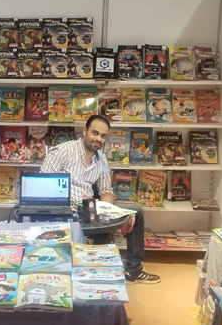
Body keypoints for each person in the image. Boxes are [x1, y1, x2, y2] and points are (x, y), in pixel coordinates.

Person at [41, 114, 160, 285]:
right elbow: (42, 183)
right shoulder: (62, 151)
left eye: (103, 136)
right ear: (85, 131)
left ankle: (134, 270)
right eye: (95, 133)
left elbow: (106, 191)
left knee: (137, 212)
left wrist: (105, 208)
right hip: (64, 209)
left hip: (90, 209)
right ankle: (85, 270)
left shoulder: (101, 158)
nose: (98, 139)